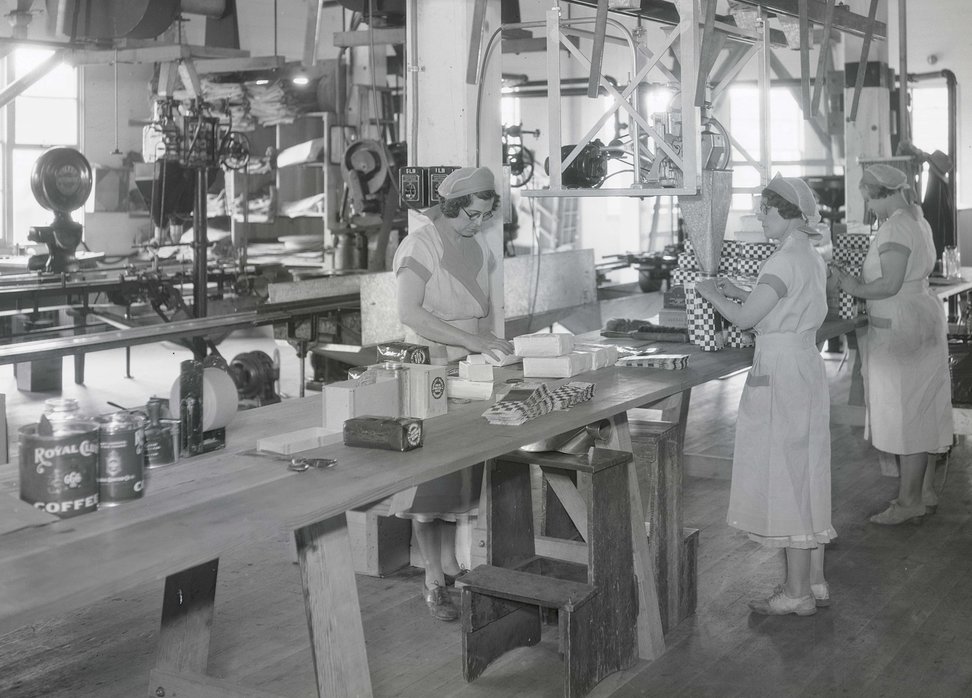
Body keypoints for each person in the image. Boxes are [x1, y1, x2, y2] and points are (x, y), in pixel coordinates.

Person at [696, 174, 834, 616]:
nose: (760, 216)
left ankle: (796, 595)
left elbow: (743, 318)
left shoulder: (780, 261)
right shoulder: (808, 254)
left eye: (766, 210)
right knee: (806, 468)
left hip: (780, 371)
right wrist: (742, 291)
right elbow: (773, 303)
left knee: (785, 475)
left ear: (790, 215)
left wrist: (711, 291)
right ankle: (813, 580)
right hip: (804, 365)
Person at [391, 166, 513, 621]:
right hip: (431, 365)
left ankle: (449, 566)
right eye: (471, 215)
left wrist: (495, 352)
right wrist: (473, 342)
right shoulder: (420, 245)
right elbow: (410, 313)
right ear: (451, 207)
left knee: (463, 471)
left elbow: (481, 314)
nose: (478, 224)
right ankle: (432, 580)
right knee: (433, 479)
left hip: (468, 365)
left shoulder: (478, 247)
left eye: (484, 215)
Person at [833, 163, 953, 525]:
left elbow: (889, 284)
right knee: (925, 408)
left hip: (902, 326)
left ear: (873, 193)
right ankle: (926, 492)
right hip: (921, 319)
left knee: (907, 413)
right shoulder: (917, 219)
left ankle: (908, 501)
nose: (864, 200)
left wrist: (850, 285)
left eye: (863, 192)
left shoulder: (896, 227)